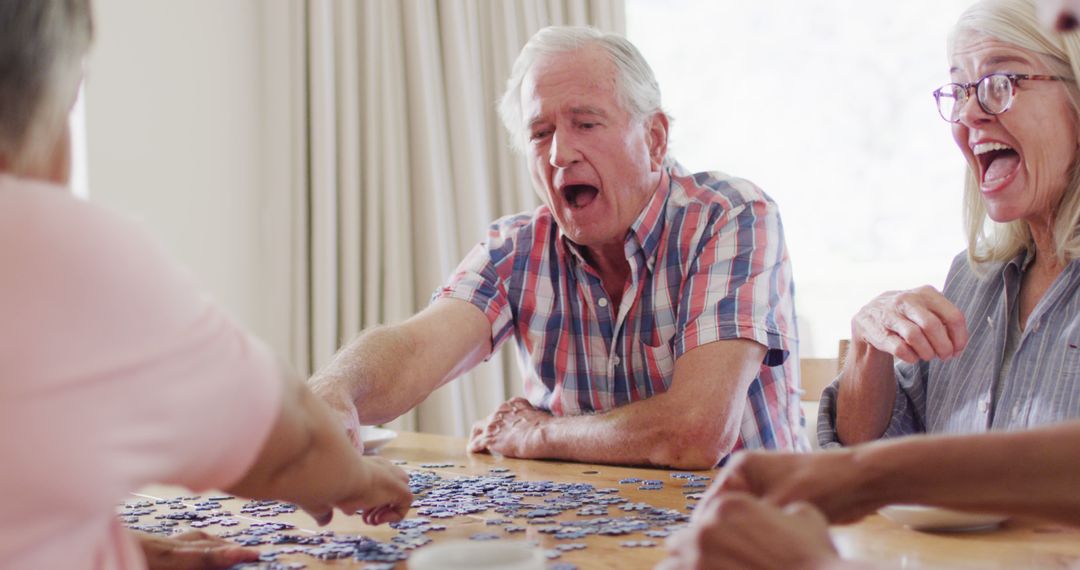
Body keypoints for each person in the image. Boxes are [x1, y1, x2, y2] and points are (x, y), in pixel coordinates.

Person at [662, 0, 1080, 567]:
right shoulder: (971, 277)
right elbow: (870, 448)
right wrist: (868, 344)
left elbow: (868, 471)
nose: (968, 115)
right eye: (959, 91)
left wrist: (860, 480)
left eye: (1000, 82)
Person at [0, 2, 413, 568]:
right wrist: (357, 477)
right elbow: (289, 444)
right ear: (42, 106)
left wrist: (114, 546)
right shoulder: (58, 248)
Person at [310, 25, 805, 470]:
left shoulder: (731, 217)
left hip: (755, 533)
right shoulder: (516, 247)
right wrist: (335, 389)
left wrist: (539, 434)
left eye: (585, 124)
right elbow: (416, 348)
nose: (559, 153)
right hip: (592, 536)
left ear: (655, 138)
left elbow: (696, 433)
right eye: (539, 132)